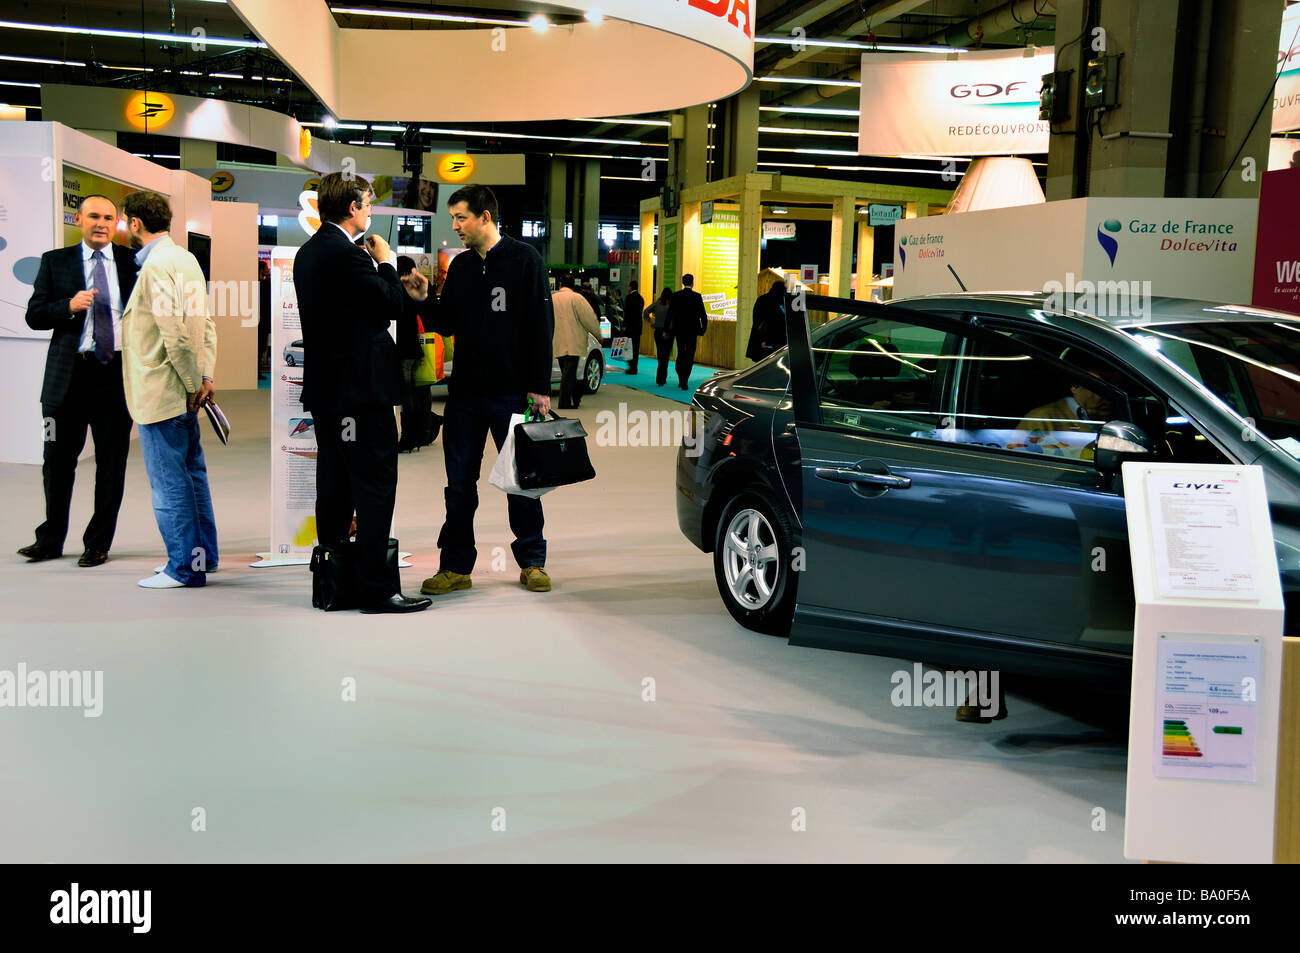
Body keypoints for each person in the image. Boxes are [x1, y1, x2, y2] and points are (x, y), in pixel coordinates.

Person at [407, 184, 555, 596]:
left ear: (485, 217)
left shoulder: (526, 260)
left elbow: (541, 328)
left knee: (520, 481)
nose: (454, 225)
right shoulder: (462, 268)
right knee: (458, 485)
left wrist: (539, 387)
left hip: (512, 393)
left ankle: (532, 562)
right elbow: (447, 322)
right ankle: (455, 566)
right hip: (466, 397)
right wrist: (422, 299)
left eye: (460, 217)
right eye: (452, 217)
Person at [293, 172, 431, 614]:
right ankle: (376, 589)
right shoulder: (347, 256)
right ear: (352, 208)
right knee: (374, 487)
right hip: (361, 393)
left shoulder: (310, 252)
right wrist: (387, 261)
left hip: (328, 393)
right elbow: (390, 304)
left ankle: (333, 584)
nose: (370, 210)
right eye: (368, 204)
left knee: (333, 486)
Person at [18, 194, 139, 568]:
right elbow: (34, 316)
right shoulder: (55, 262)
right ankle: (50, 539)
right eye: (93, 216)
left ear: (116, 223)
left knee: (111, 464)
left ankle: (98, 543)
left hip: (114, 376)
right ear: (78, 219)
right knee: (56, 461)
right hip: (66, 381)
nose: (101, 223)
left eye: (107, 217)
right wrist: (67, 306)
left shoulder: (131, 262)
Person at [119, 191, 219, 590]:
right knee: (192, 475)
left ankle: (184, 568)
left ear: (136, 224)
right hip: (185, 390)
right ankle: (203, 557)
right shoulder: (186, 259)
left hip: (164, 392)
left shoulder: (157, 266)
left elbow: (175, 334)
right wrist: (204, 378)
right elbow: (205, 325)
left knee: (170, 483)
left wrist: (194, 382)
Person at [395, 255, 438, 452]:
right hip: (416, 348)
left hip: (405, 350)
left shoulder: (402, 292)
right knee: (420, 393)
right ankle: (424, 433)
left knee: (408, 396)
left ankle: (409, 438)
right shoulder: (419, 291)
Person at [552, 274, 600, 409]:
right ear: (573, 285)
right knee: (568, 373)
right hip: (574, 342)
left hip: (557, 341)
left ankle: (575, 396)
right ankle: (565, 402)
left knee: (566, 372)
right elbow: (589, 318)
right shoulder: (577, 298)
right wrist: (598, 333)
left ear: (560, 284)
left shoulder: (552, 298)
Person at [667, 274, 708, 390]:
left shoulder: (675, 296)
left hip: (679, 330)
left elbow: (670, 314)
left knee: (681, 353)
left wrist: (667, 329)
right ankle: (685, 379)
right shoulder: (697, 296)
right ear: (692, 283)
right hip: (692, 330)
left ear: (682, 282)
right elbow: (703, 314)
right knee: (690, 354)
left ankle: (681, 377)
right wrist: (703, 328)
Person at [747, 277, 786, 362]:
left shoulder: (762, 299)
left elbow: (757, 319)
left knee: (761, 365)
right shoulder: (782, 301)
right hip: (776, 341)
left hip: (762, 341)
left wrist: (761, 339)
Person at [650, 287, 673, 386]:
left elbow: (646, 312)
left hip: (658, 331)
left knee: (660, 354)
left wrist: (651, 322)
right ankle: (663, 378)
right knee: (666, 355)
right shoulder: (671, 305)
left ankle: (659, 378)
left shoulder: (657, 303)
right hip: (668, 332)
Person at [623, 280, 645, 375]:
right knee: (636, 348)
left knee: (629, 347)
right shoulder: (641, 298)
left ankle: (631, 366)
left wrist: (624, 324)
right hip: (637, 326)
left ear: (631, 287)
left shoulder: (629, 298)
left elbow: (627, 313)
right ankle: (635, 367)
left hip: (630, 327)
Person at [257, 259, 271, 378]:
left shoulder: (266, 284)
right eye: (266, 268)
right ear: (261, 270)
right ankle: (256, 371)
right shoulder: (260, 285)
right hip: (260, 321)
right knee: (259, 346)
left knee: (262, 346)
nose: (268, 270)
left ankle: (258, 371)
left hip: (265, 321)